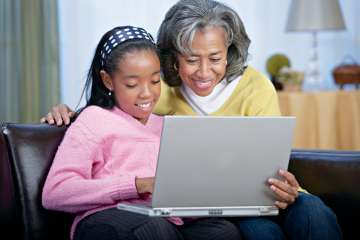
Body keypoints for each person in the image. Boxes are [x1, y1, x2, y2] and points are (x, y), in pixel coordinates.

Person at [41, 1, 343, 239]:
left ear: (229, 53)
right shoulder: (159, 92)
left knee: (313, 211)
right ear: (172, 57)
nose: (203, 72)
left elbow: (273, 157)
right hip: (218, 208)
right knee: (258, 231)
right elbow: (113, 109)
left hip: (262, 195)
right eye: (190, 59)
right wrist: (69, 111)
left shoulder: (255, 85)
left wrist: (285, 184)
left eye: (214, 58)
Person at [42, 25, 241, 240]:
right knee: (152, 229)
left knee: (222, 231)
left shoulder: (168, 126)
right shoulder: (93, 119)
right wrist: (137, 185)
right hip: (102, 220)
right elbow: (55, 192)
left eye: (155, 81)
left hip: (162, 219)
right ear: (108, 80)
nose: (147, 94)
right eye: (132, 84)